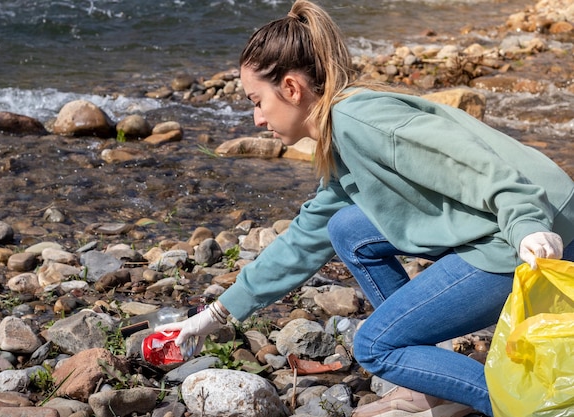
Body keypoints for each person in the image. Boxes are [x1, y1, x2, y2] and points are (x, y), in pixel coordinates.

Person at [154, 1, 574, 416]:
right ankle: (430, 378)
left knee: (376, 345)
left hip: (534, 231)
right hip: (509, 221)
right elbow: (303, 241)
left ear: (291, 88)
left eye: (256, 100)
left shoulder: (362, 121)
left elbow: (472, 163)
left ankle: (521, 405)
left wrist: (525, 224)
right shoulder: (341, 137)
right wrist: (215, 314)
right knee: (348, 229)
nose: (256, 118)